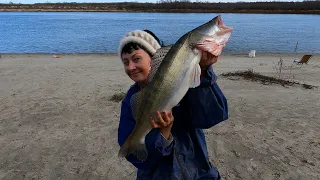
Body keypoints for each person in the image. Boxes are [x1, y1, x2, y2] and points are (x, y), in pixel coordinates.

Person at [117, 29, 228, 180]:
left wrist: (203, 72)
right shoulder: (131, 102)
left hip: (200, 173)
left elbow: (212, 117)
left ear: (155, 59)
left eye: (136, 59)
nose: (130, 67)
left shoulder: (186, 85)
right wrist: (164, 134)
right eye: (125, 62)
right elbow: (139, 159)